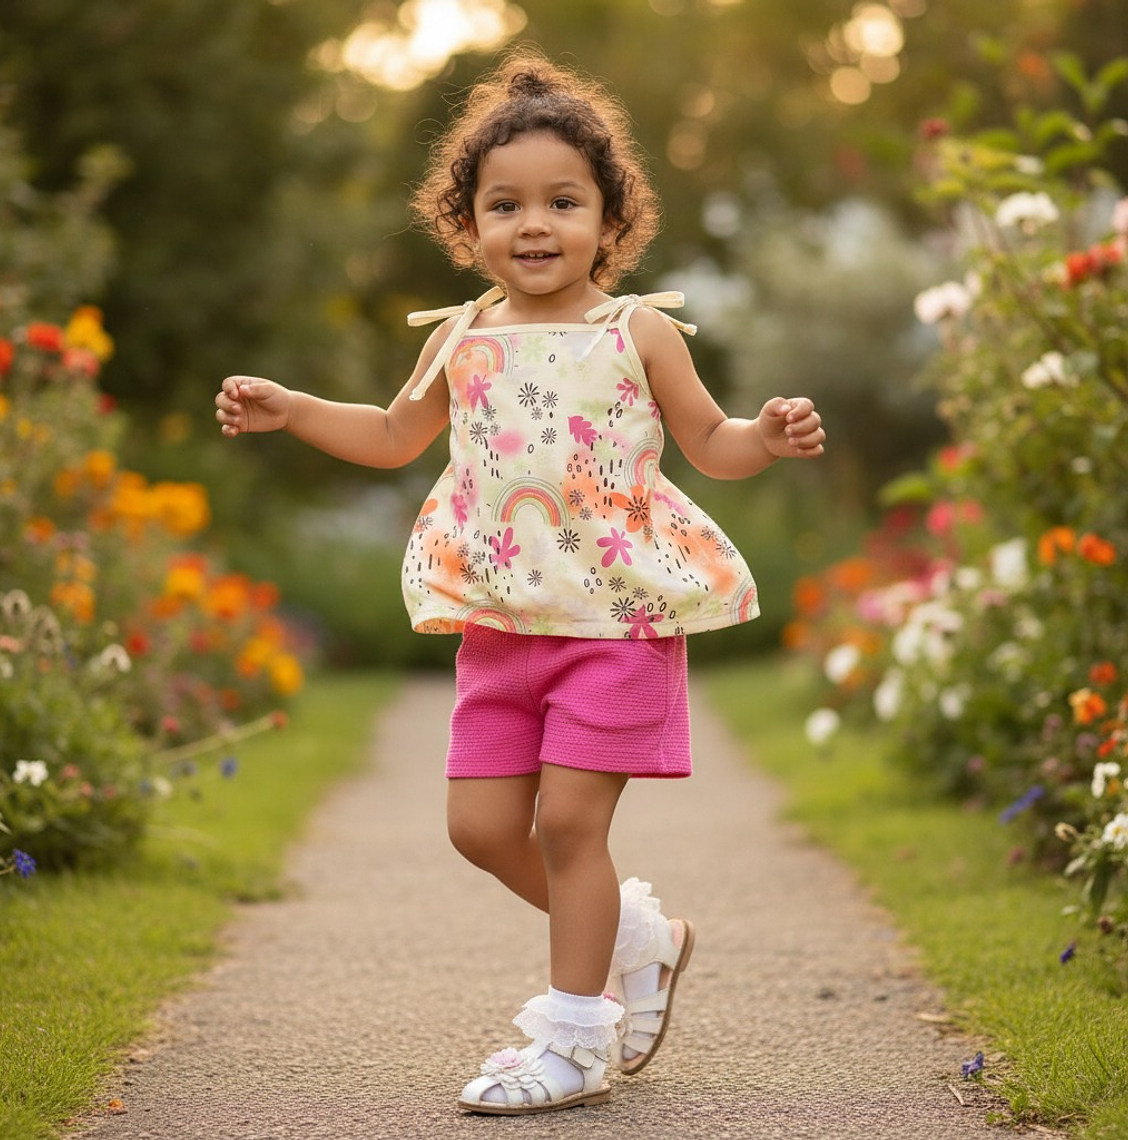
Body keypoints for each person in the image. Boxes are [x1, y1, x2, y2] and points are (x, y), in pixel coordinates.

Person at [214, 50, 825, 1115]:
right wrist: (294, 407)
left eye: (562, 201)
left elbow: (710, 444)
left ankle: (575, 1042)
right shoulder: (461, 335)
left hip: (616, 625)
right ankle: (641, 938)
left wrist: (765, 439)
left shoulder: (636, 330)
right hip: (500, 626)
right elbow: (397, 434)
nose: (533, 225)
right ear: (468, 224)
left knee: (566, 825)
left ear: (610, 218)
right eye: (505, 205)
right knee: (481, 829)